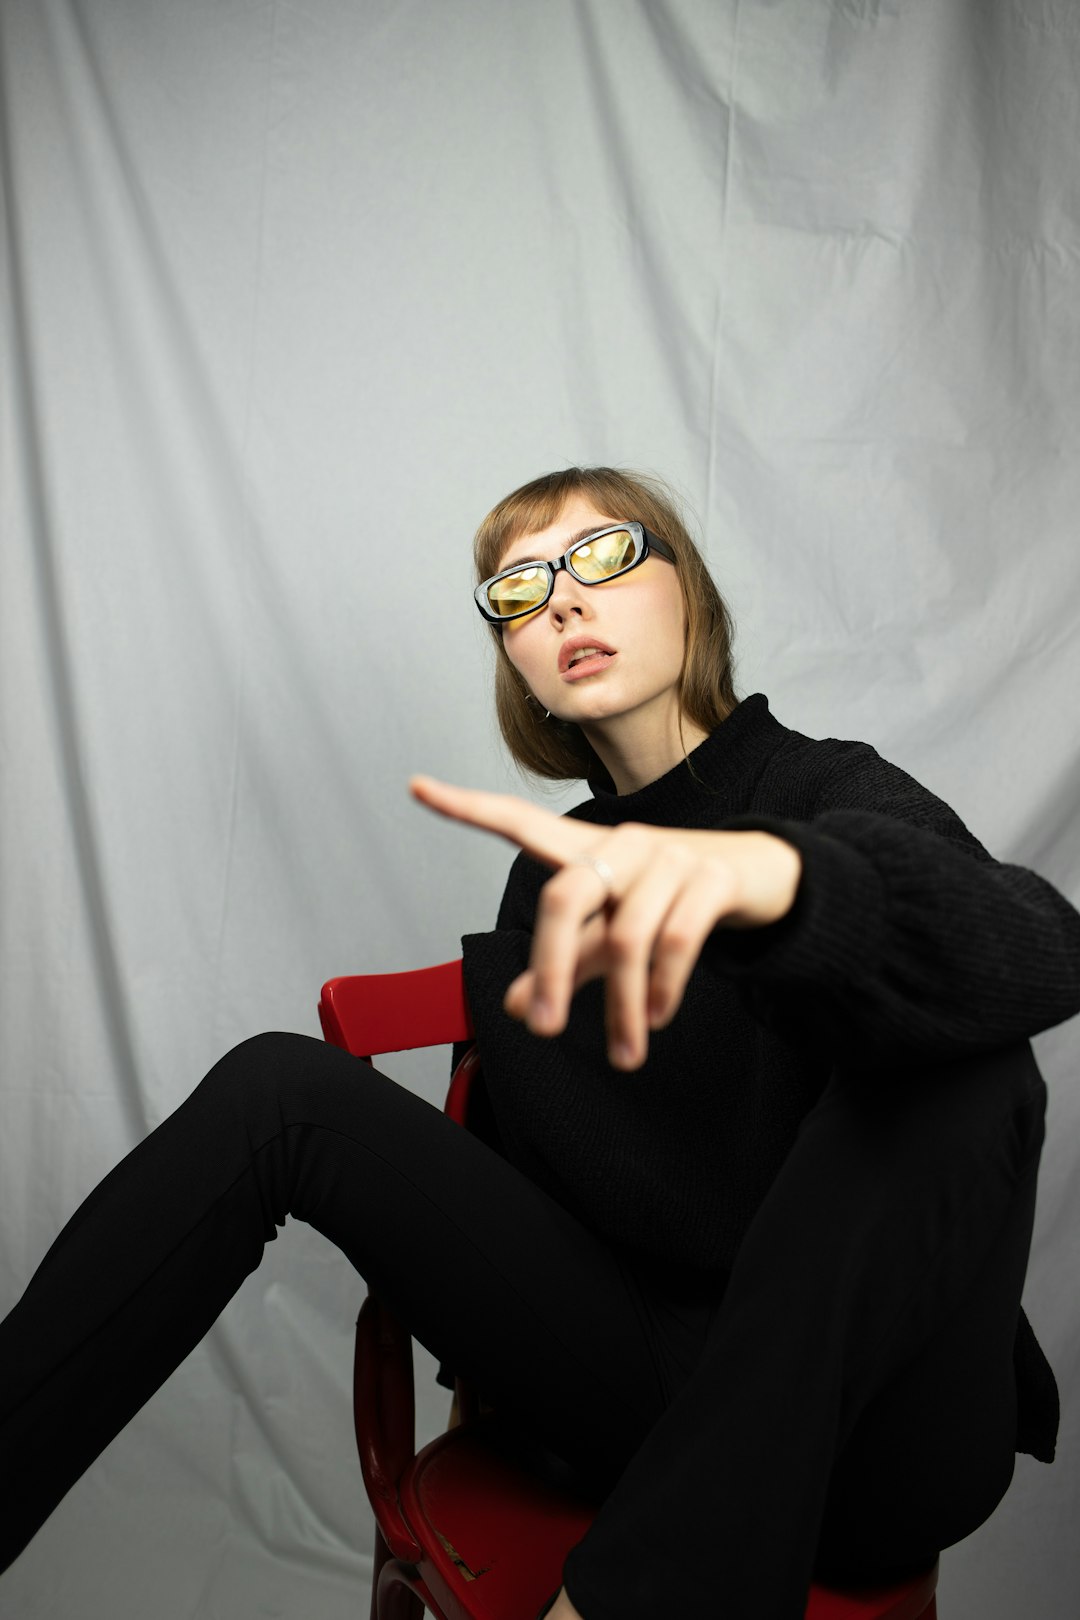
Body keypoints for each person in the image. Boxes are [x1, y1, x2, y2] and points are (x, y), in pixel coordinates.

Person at [2, 466, 1078, 1620]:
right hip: (656, 1390)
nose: (562, 603)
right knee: (280, 1088)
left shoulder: (826, 788)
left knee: (965, 1061)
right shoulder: (547, 882)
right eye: (519, 589)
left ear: (689, 596)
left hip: (872, 1440)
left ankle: (636, 1595)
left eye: (604, 557)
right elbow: (533, 1219)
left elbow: (1047, 952)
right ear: (515, 658)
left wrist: (776, 881)